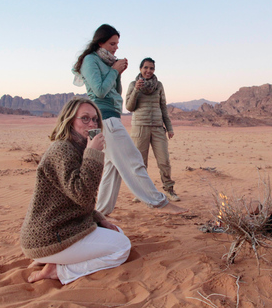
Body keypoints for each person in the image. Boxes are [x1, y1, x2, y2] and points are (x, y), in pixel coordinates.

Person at [72, 24, 187, 216]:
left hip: (111, 116)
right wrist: (115, 72)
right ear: (100, 42)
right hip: (103, 118)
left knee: (112, 168)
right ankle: (159, 203)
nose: (116, 47)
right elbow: (100, 91)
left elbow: (115, 94)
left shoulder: (107, 63)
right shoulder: (90, 61)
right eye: (112, 43)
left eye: (117, 44)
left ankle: (100, 213)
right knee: (133, 160)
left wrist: (116, 72)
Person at [20, 97, 131, 285]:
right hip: (49, 236)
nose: (92, 124)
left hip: (61, 228)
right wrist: (93, 154)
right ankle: (59, 270)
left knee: (116, 232)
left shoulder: (77, 148)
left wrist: (99, 218)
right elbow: (82, 194)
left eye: (95, 119)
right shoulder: (63, 149)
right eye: (85, 118)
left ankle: (53, 258)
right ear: (70, 120)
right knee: (122, 248)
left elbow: (76, 201)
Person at [125, 58, 180, 202]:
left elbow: (163, 107)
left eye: (151, 68)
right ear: (140, 69)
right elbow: (129, 107)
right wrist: (136, 90)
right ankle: (141, 192)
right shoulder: (133, 84)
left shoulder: (159, 85)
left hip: (157, 128)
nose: (148, 71)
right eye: (146, 68)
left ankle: (169, 189)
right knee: (140, 162)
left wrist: (169, 128)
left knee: (164, 161)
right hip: (140, 128)